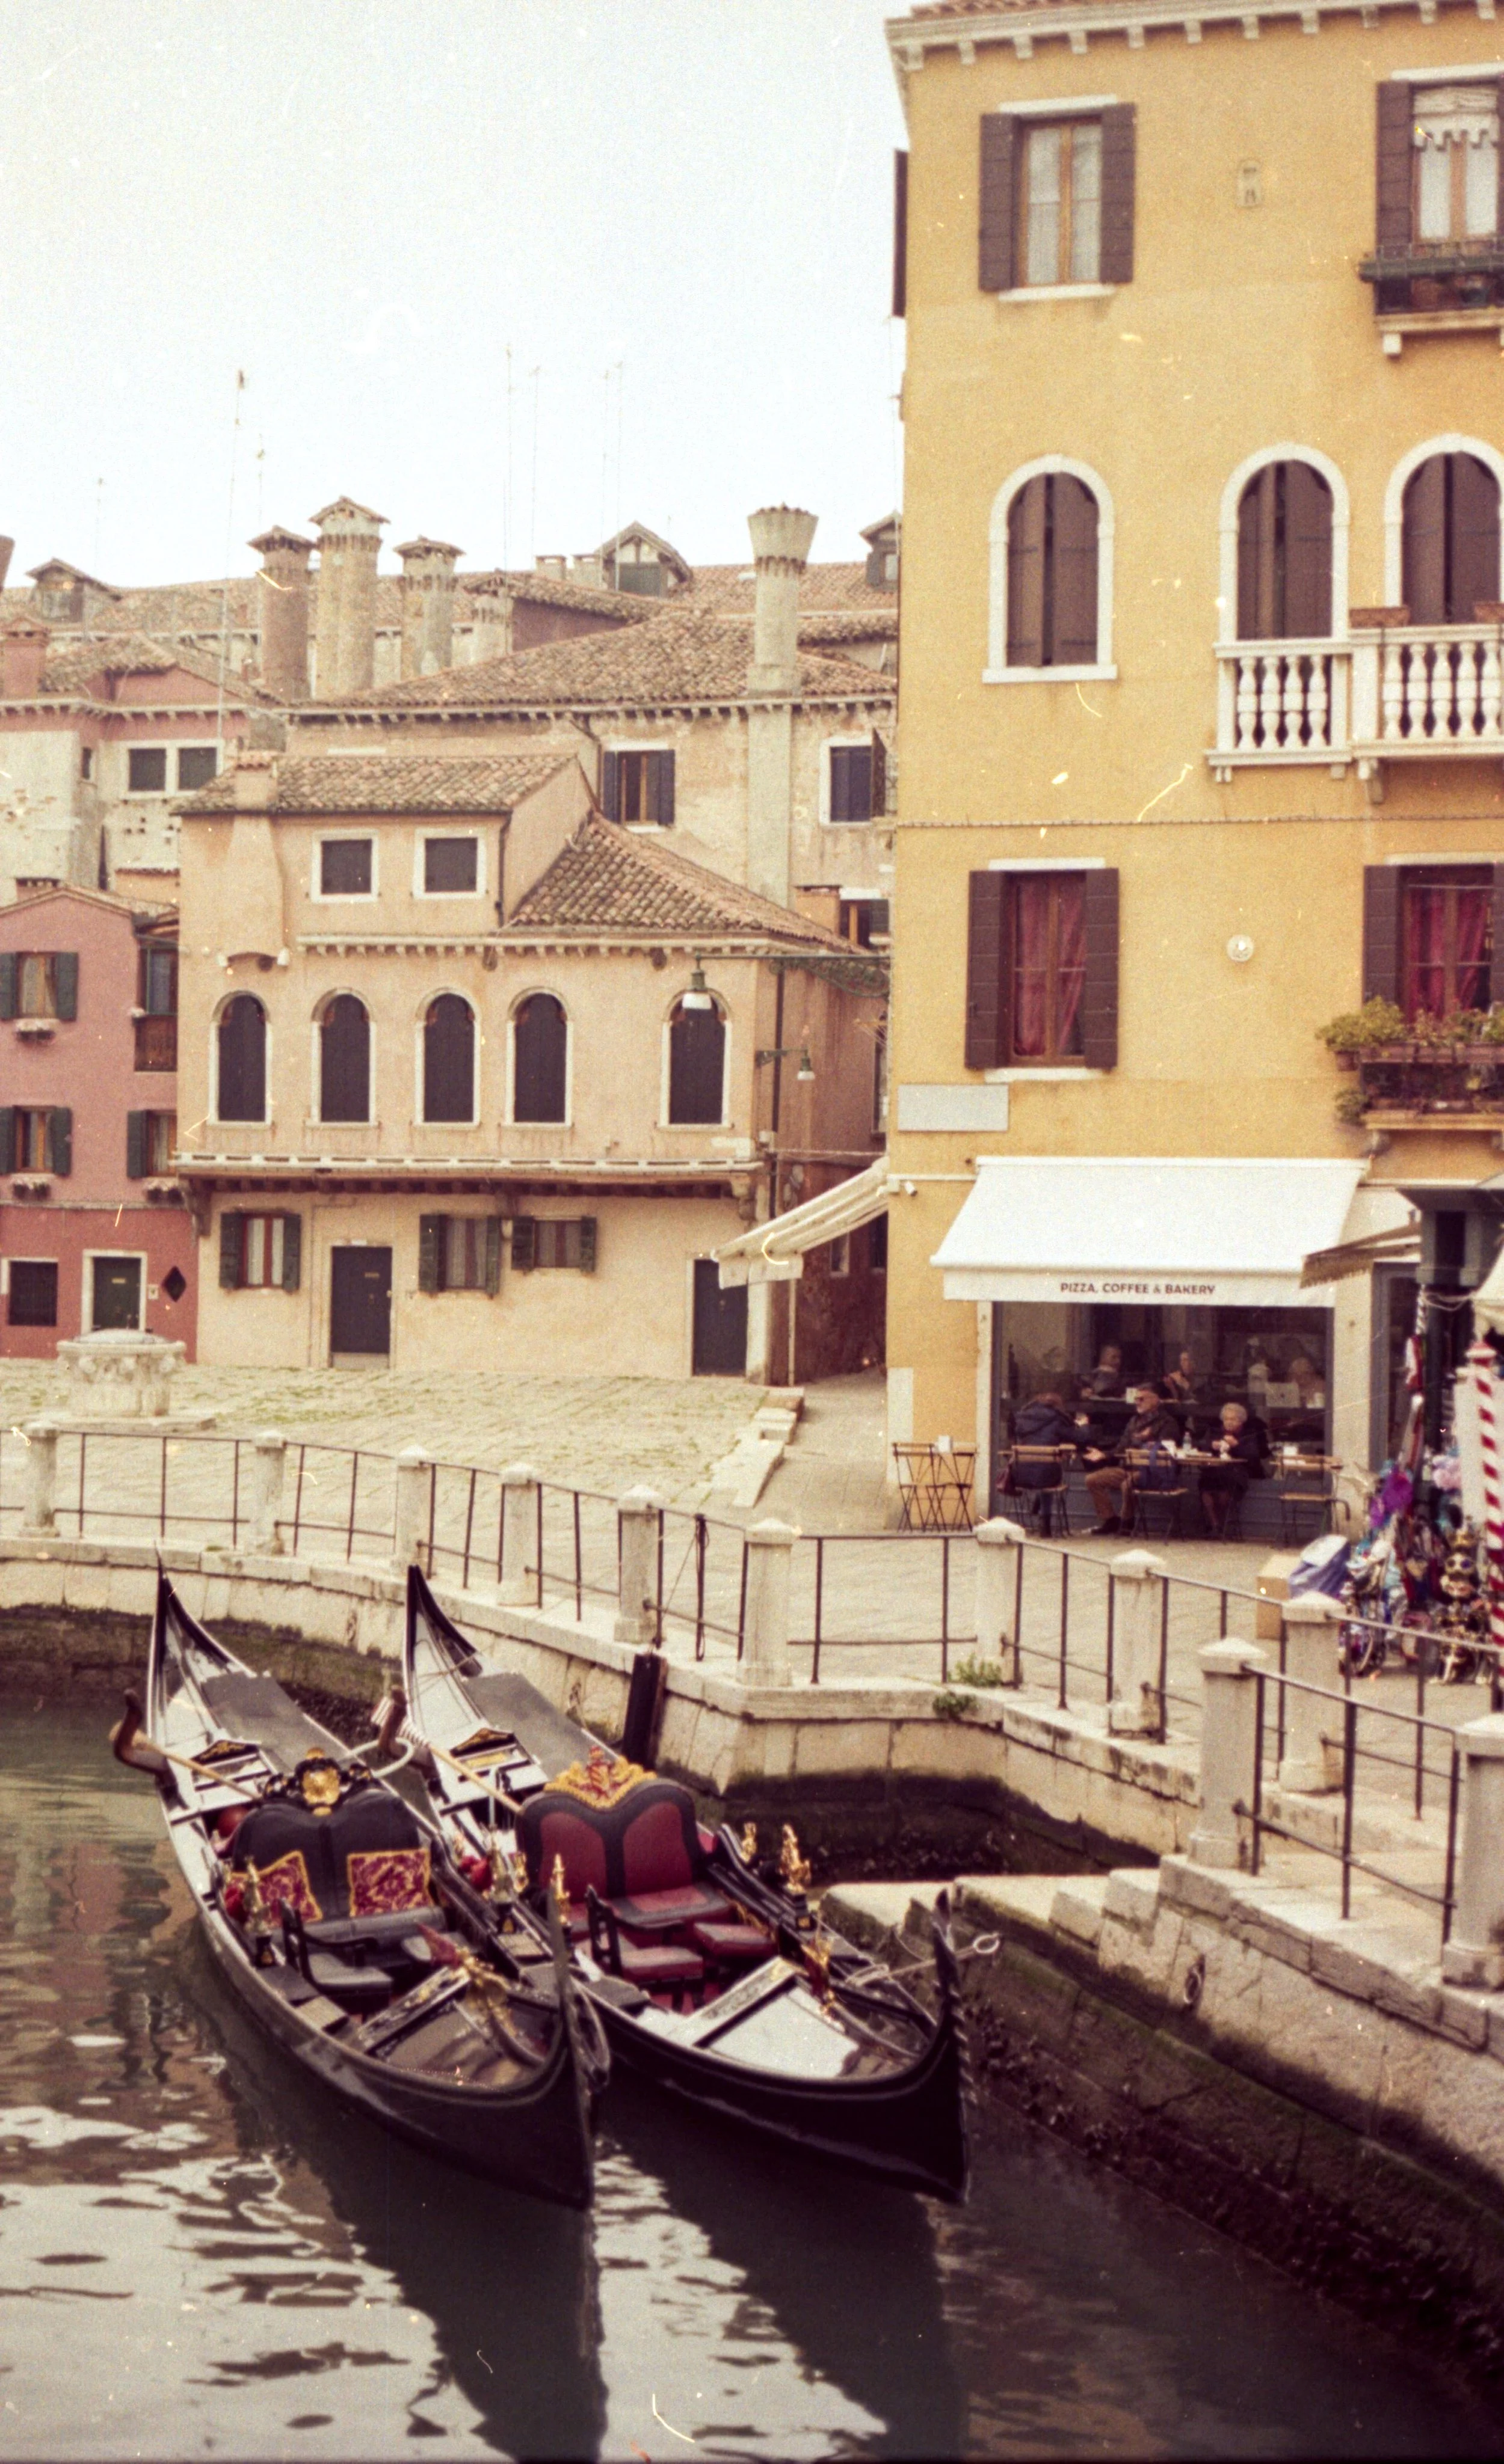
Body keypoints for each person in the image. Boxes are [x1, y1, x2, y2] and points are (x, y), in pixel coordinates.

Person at [1083, 1384, 1180, 1535]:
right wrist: (1104, 1455)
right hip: (1127, 1468)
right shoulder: (1134, 1421)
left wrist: (1146, 1440)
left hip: (1151, 1472)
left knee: (1128, 1484)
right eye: (1136, 1399)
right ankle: (1110, 1520)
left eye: (1142, 1399)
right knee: (1093, 1480)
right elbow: (1121, 1448)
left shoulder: (1167, 1423)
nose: (1137, 1402)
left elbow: (1166, 1450)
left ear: (1156, 1400)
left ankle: (1127, 1522)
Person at [1006, 1390, 1079, 1536]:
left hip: (1020, 1477)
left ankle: (1037, 1507)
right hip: (1048, 1477)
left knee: (1043, 1473)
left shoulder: (1022, 1418)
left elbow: (1013, 1436)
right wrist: (1082, 1426)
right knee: (1046, 1476)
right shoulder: (1058, 1420)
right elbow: (1078, 1438)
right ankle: (1045, 1525)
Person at [1198, 1402, 1269, 1537]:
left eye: (1233, 1419)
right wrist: (1211, 1445)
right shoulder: (1215, 1432)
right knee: (1206, 1486)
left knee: (1225, 1490)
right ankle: (1215, 1525)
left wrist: (1237, 1445)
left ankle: (1220, 1525)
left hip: (1237, 1473)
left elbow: (1254, 1454)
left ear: (1241, 1421)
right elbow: (1201, 1446)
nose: (1229, 1422)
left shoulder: (1249, 1434)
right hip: (1214, 1471)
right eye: (1226, 1419)